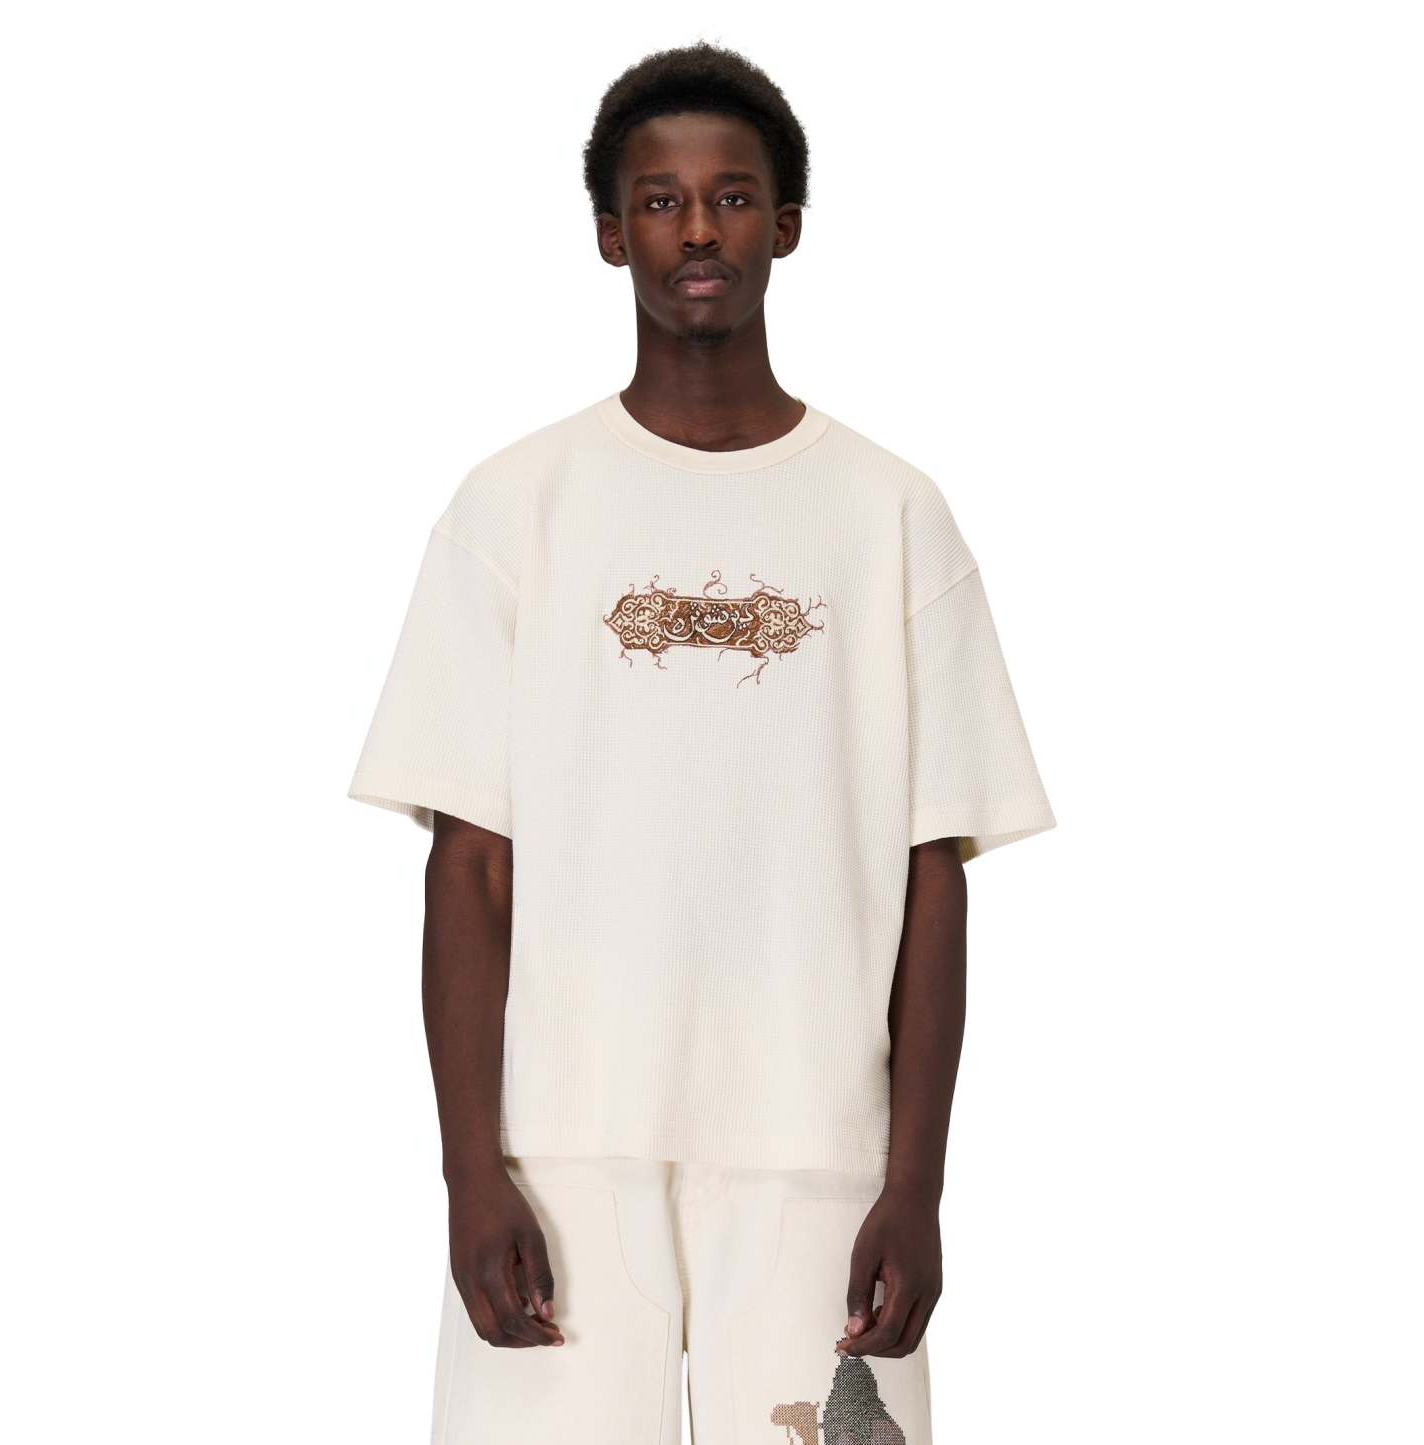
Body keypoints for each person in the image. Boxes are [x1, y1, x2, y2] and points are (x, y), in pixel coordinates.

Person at [348, 39, 1055, 1445]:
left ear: (785, 225)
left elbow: (933, 871)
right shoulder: (518, 505)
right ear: (611, 234)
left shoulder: (888, 515)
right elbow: (467, 864)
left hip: (816, 1147)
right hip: (562, 1145)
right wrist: (469, 1173)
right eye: (660, 201)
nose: (696, 230)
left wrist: (914, 1182)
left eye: (731, 198)